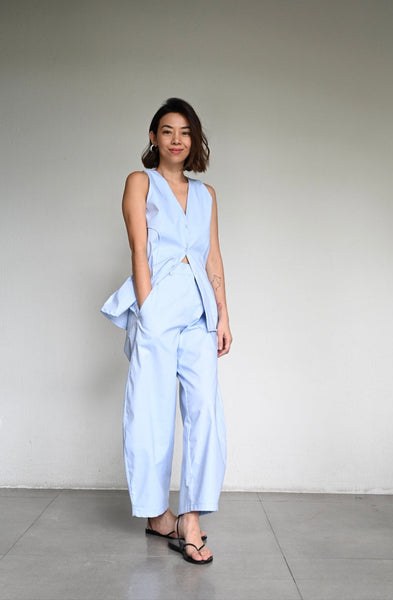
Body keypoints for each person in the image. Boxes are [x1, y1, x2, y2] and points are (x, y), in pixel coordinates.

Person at [101, 98, 232, 565]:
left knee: (205, 412)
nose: (177, 139)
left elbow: (212, 257)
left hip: (198, 311)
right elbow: (138, 247)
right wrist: (148, 308)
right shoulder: (140, 182)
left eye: (185, 131)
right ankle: (158, 516)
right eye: (168, 130)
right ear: (154, 137)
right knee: (151, 412)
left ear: (194, 140)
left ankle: (191, 519)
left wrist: (223, 316)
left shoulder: (207, 194)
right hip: (158, 307)